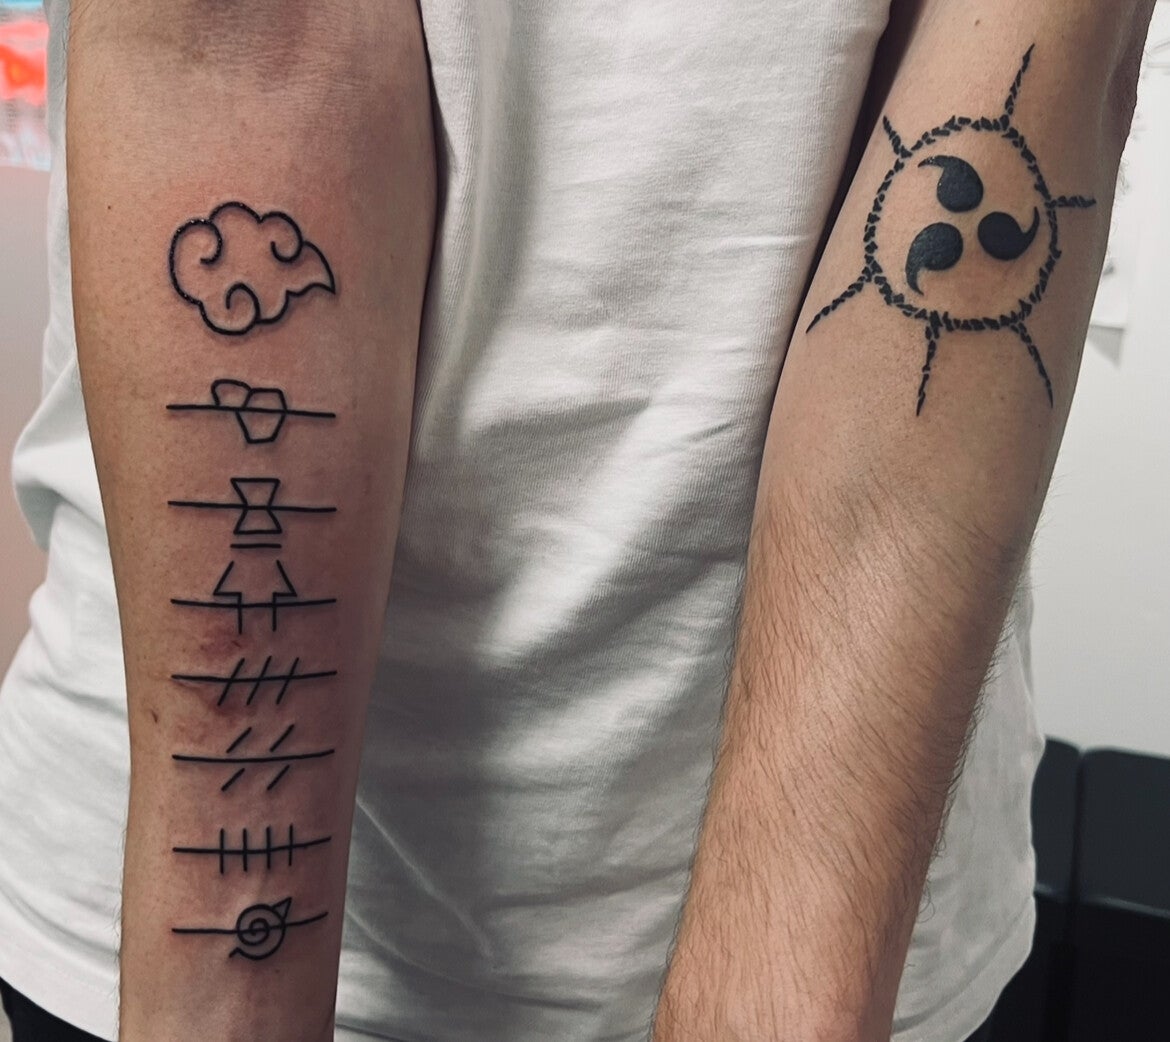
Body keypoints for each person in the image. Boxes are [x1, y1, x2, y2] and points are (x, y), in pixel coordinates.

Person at [0, 1, 1154, 1040]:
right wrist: (226, 981)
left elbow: (1024, 95)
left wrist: (781, 1005)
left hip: (849, 896)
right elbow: (239, 51)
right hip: (196, 883)